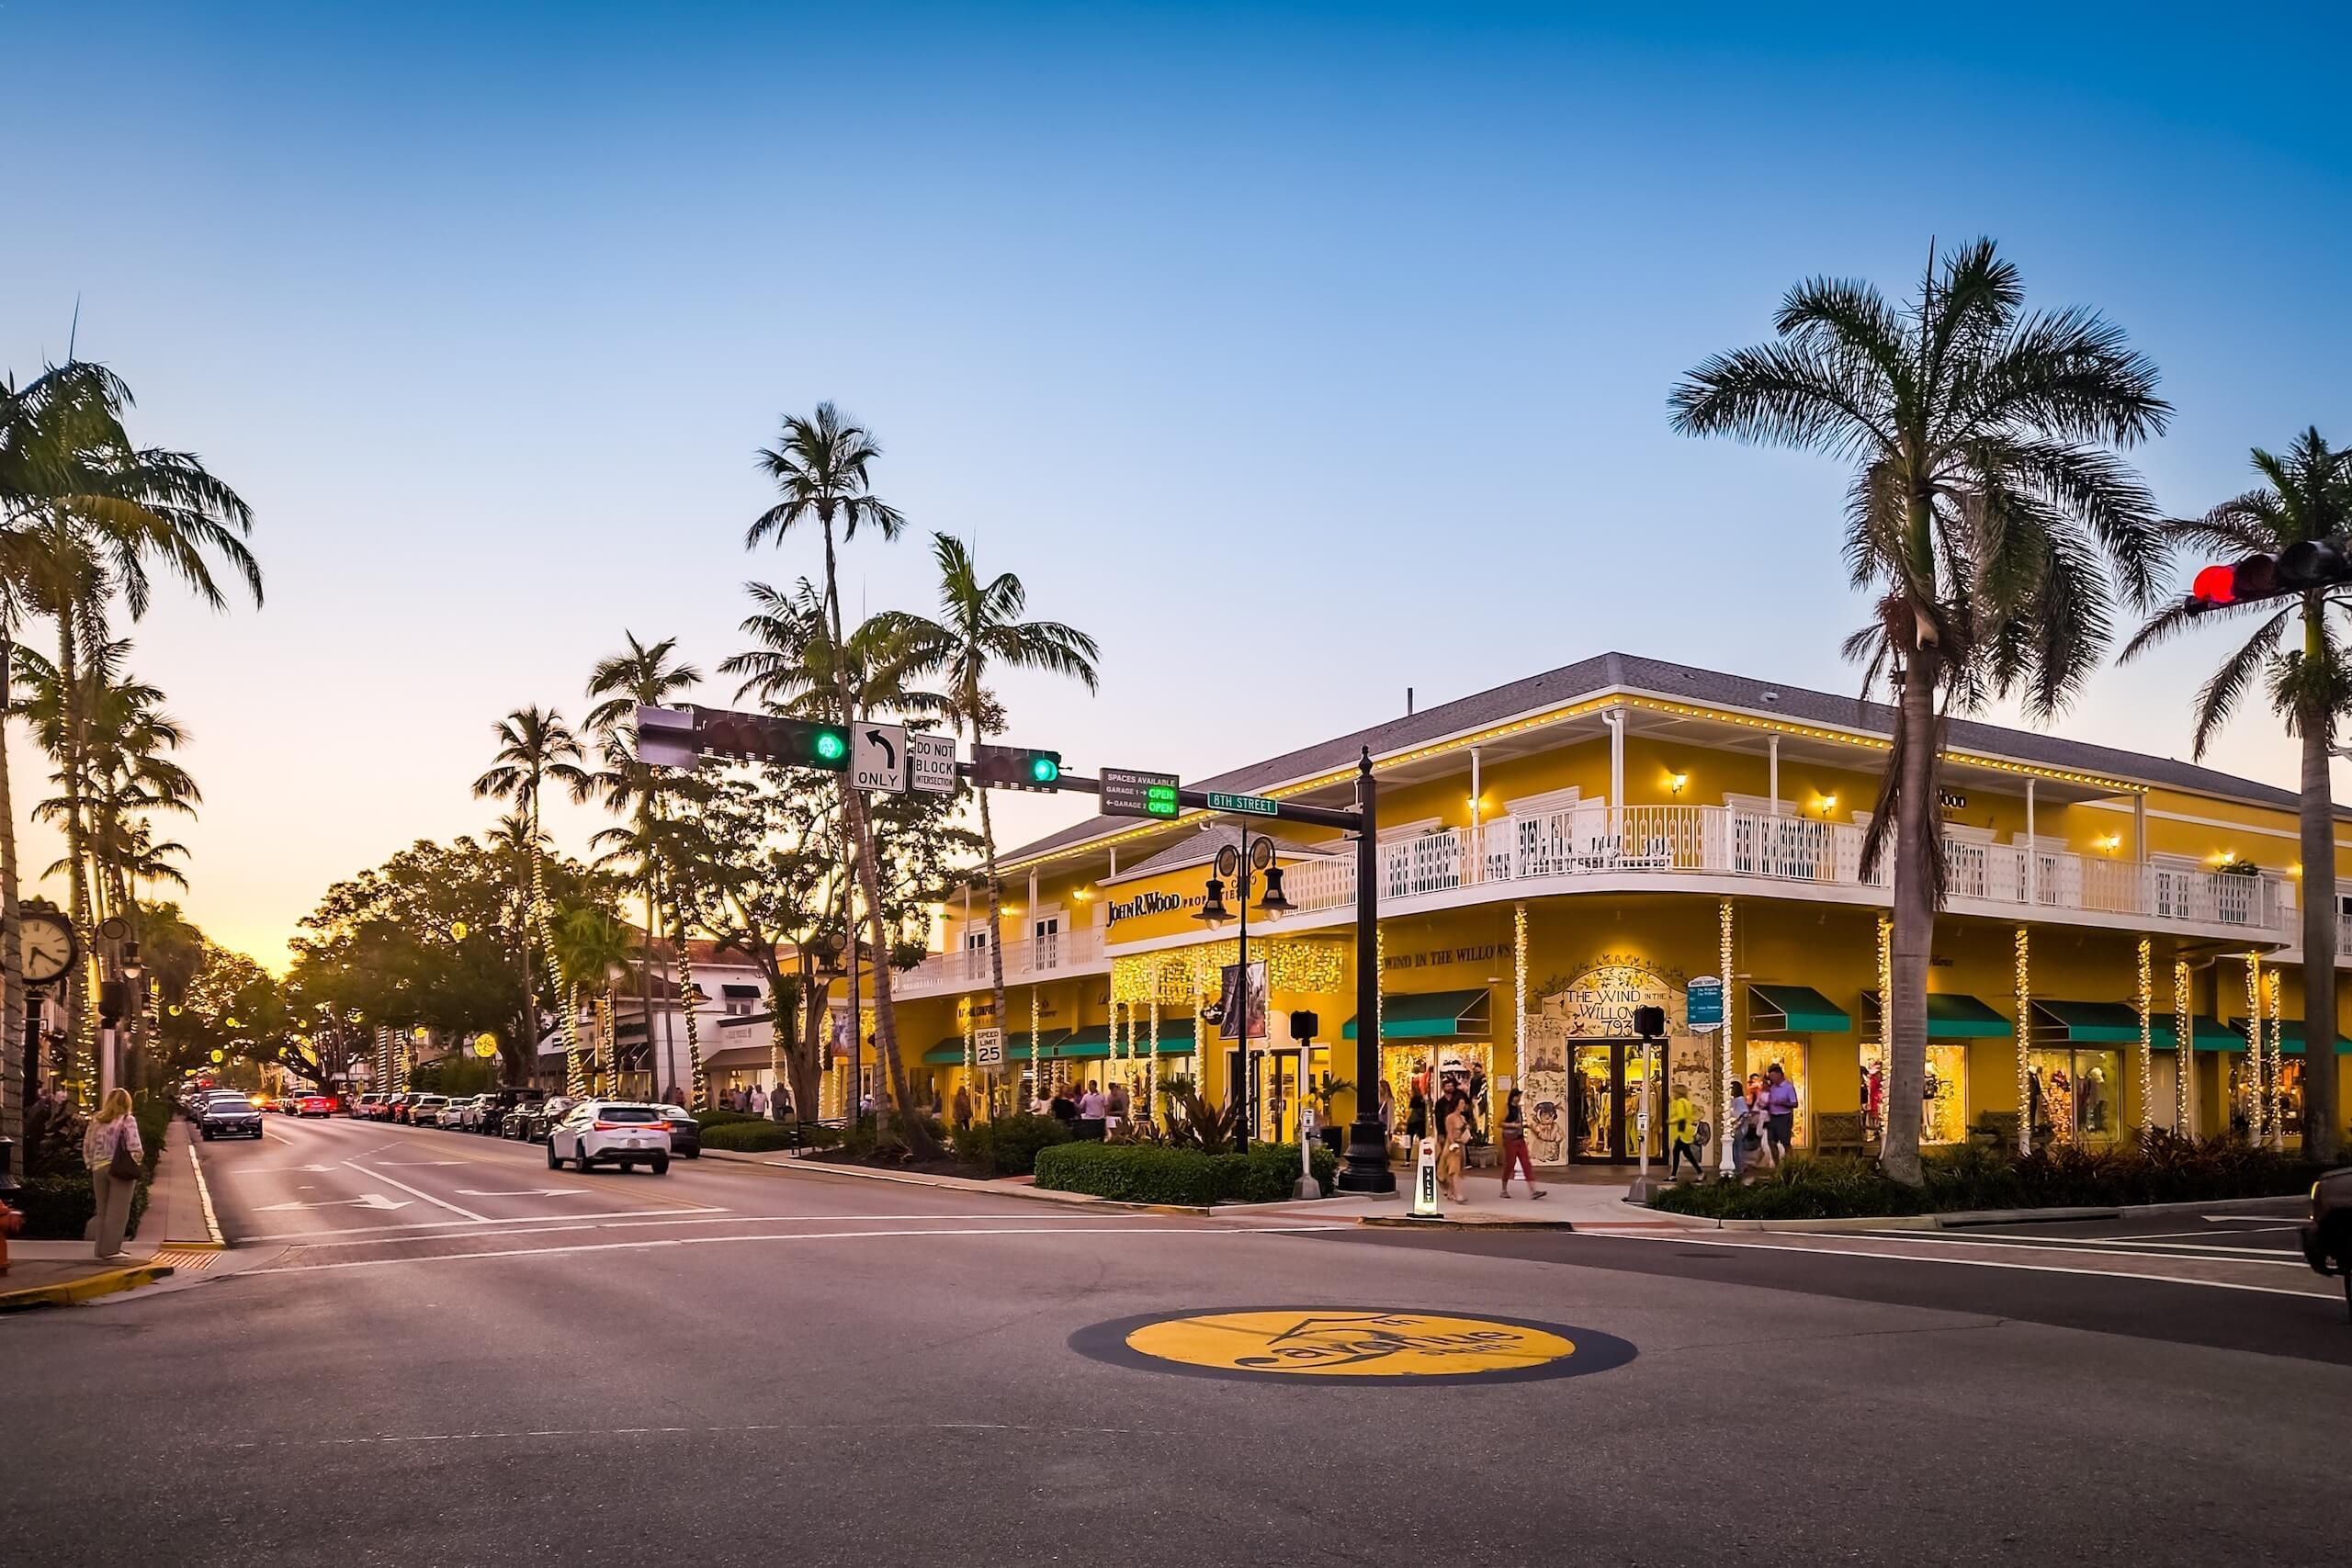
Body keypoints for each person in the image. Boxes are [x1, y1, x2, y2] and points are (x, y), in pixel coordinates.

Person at [83, 1088, 143, 1259]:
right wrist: (136, 1162)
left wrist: (91, 1163)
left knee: (102, 1210)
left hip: (98, 1168)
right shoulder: (127, 1120)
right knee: (118, 1211)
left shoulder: (96, 1120)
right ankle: (111, 1250)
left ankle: (100, 1249)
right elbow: (134, 1145)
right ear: (126, 1103)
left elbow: (87, 1144)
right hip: (118, 1169)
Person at [1496, 1089, 1546, 1199]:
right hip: (1510, 1139)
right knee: (1510, 1164)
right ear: (1512, 1097)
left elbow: (1520, 1123)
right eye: (1517, 1096)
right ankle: (1504, 1189)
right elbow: (1499, 1123)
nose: (1518, 1099)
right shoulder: (1507, 1108)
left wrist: (1528, 1126)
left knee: (1526, 1163)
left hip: (1520, 1138)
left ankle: (1533, 1190)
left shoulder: (1518, 1108)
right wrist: (1512, 1125)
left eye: (1519, 1096)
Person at [1437, 1091, 1470, 1203]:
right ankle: (1458, 1194)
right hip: (1452, 1146)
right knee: (1454, 1170)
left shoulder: (1463, 1118)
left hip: (1461, 1145)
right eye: (1461, 1103)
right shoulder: (1450, 1118)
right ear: (1456, 1104)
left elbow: (1465, 1131)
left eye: (1464, 1103)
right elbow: (1449, 1133)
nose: (1463, 1105)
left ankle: (1451, 1192)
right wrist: (1453, 1145)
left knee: (1457, 1170)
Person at [1666, 1082, 1702, 1179]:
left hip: (1680, 1132)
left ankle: (1673, 1175)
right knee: (1686, 1153)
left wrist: (1670, 1121)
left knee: (1677, 1152)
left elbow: (1681, 1117)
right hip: (1686, 1131)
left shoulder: (1679, 1103)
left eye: (1674, 1092)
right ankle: (1699, 1172)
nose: (1672, 1094)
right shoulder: (1687, 1102)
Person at [1764, 1064, 1798, 1161]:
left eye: (1773, 1076)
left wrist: (1782, 1103)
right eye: (1770, 1077)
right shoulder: (1773, 1087)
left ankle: (1790, 1166)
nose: (1772, 1079)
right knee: (1771, 1142)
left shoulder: (1788, 1087)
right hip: (1772, 1117)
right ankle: (1777, 1167)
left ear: (1779, 1074)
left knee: (1785, 1143)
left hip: (1784, 1117)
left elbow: (1795, 1104)